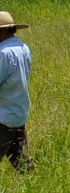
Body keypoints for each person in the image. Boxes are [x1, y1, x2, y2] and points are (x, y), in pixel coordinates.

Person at [0, 11, 31, 172]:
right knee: (24, 166)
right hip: (18, 113)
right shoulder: (23, 48)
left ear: (2, 31)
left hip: (3, 117)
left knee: (23, 163)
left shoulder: (3, 54)